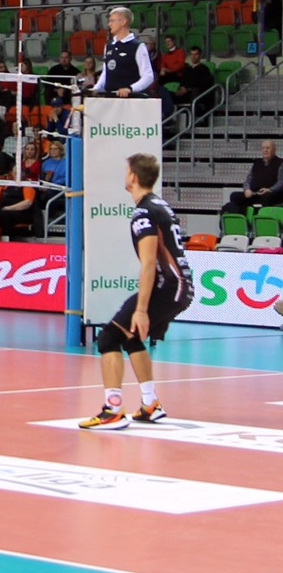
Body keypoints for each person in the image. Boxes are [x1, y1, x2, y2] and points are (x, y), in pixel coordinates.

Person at [80, 154, 192, 429]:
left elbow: (149, 262)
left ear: (133, 177)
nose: (125, 175)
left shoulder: (144, 212)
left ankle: (113, 410)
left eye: (126, 171)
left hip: (167, 286)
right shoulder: (160, 205)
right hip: (179, 286)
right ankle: (150, 404)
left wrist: (141, 309)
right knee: (130, 337)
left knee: (108, 338)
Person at [94, 6, 156, 97]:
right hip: (110, 97)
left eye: (112, 21)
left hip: (130, 99)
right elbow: (106, 72)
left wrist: (130, 89)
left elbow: (148, 76)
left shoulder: (137, 46)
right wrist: (96, 88)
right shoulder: (109, 46)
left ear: (123, 22)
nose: (109, 24)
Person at [220, 139, 283, 214]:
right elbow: (248, 180)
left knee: (267, 197)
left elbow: (281, 182)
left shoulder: (280, 163)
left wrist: (270, 190)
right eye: (263, 148)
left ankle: (262, 217)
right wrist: (247, 189)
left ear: (274, 150)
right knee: (234, 196)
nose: (265, 150)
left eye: (268, 148)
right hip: (255, 193)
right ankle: (242, 217)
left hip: (271, 194)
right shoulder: (256, 163)